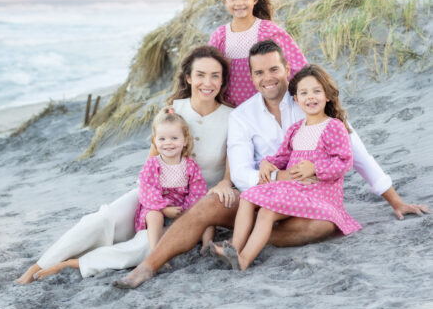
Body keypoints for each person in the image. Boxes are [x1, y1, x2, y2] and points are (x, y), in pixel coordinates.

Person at [116, 40, 429, 288]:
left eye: (273, 69)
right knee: (207, 206)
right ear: (251, 76)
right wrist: (283, 178)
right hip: (260, 195)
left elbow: (357, 155)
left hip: (310, 200)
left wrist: (396, 201)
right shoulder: (243, 116)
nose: (267, 78)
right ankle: (148, 266)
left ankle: (238, 243)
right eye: (259, 72)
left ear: (286, 67)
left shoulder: (309, 100)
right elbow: (240, 173)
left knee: (324, 225)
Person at [16, 46, 234, 284]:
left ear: (223, 81)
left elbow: (229, 173)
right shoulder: (173, 110)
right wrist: (157, 205)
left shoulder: (232, 117)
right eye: (200, 74)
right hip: (154, 194)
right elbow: (151, 164)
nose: (207, 82)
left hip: (193, 205)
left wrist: (223, 185)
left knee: (142, 247)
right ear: (189, 77)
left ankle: (72, 264)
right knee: (102, 220)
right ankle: (38, 265)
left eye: (215, 75)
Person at [210, 65, 361, 270]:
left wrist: (315, 168)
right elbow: (282, 157)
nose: (311, 97)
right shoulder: (296, 129)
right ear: (296, 100)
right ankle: (235, 249)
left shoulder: (333, 126)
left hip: (319, 191)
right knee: (247, 198)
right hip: (296, 187)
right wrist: (266, 162)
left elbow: (344, 162)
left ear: (327, 95)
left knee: (267, 210)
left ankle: (243, 260)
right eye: (304, 93)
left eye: (317, 91)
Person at [209, 0, 307, 106]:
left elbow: (298, 68)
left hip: (269, 108)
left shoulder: (269, 31)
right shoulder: (219, 36)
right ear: (225, 1)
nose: (239, 3)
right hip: (232, 110)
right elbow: (207, 73)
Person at [135, 106, 209, 251]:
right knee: (154, 216)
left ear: (185, 140)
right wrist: (164, 208)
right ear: (155, 141)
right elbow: (146, 189)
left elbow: (197, 190)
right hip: (157, 207)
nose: (168, 143)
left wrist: (186, 210)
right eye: (162, 139)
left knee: (207, 217)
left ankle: (207, 247)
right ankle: (155, 251)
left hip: (183, 208)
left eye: (174, 138)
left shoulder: (190, 165)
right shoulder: (153, 164)